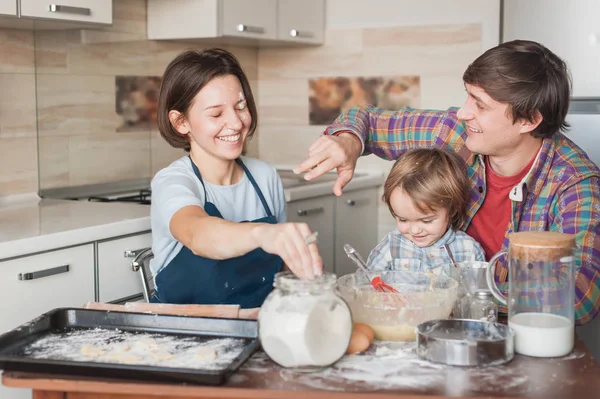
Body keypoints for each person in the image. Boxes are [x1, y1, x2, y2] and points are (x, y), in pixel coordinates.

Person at [295, 40, 600, 325]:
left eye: (480, 105)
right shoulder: (453, 133)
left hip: (518, 333)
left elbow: (583, 293)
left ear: (528, 120)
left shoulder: (574, 183)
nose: (463, 112)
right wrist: (348, 141)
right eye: (468, 95)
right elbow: (367, 119)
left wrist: (465, 291)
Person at [150, 48, 322, 308]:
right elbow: (197, 234)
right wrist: (263, 234)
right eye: (217, 114)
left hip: (259, 327)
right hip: (184, 334)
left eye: (240, 107)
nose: (237, 122)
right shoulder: (173, 182)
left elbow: (284, 267)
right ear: (181, 122)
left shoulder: (264, 177)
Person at [367, 148, 485, 274]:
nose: (414, 230)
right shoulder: (390, 247)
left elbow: (477, 291)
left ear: (452, 210)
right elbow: (367, 283)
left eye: (426, 221)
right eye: (403, 219)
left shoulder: (469, 249)